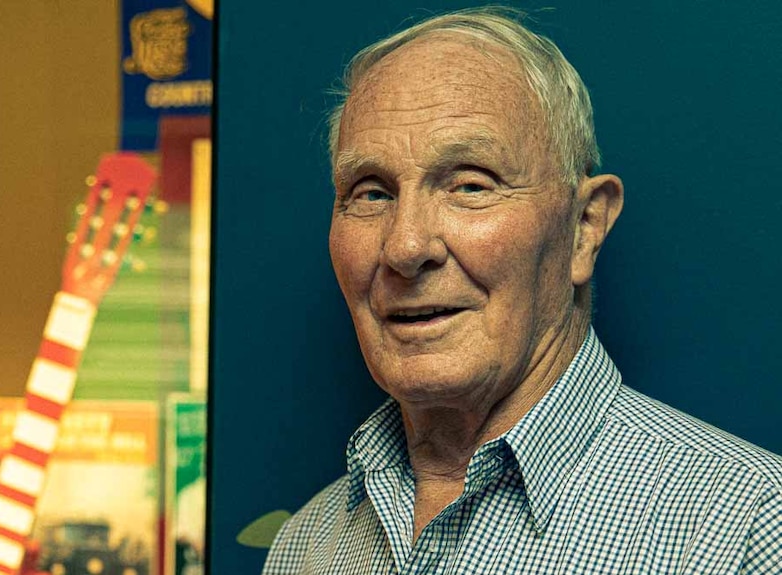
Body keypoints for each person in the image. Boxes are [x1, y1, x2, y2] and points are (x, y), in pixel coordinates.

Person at [263, 7, 782, 574]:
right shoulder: (306, 544)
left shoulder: (744, 529)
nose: (406, 246)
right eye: (371, 193)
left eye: (470, 185)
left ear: (583, 229)